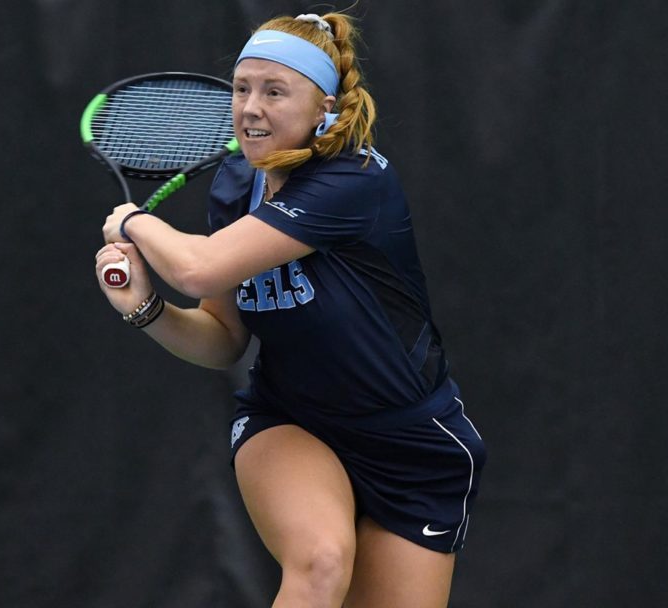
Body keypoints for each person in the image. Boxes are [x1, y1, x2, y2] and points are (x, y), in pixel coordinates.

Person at [95, 11, 485, 608]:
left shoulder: (352, 181)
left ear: (324, 108)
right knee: (321, 562)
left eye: (275, 91)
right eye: (242, 88)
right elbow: (223, 336)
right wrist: (147, 309)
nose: (250, 108)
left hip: (413, 446)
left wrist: (131, 221)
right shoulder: (236, 184)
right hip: (292, 421)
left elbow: (197, 267)